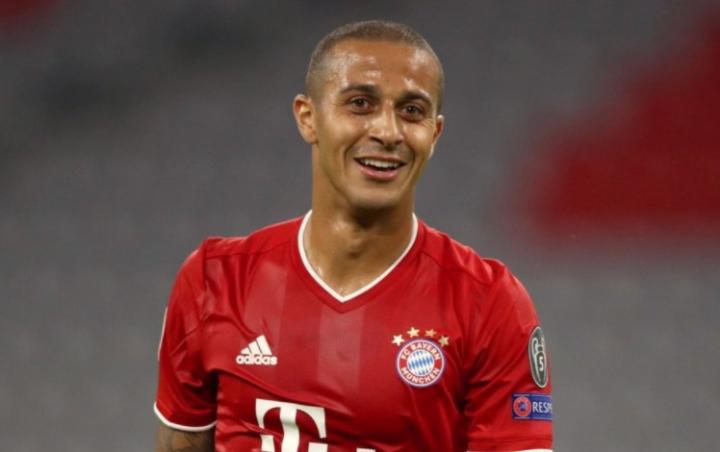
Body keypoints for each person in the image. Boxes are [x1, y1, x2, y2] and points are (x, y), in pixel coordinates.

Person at [154, 20, 553, 452]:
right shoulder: (214, 281)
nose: (388, 132)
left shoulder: (488, 304)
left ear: (435, 134)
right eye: (360, 104)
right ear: (308, 118)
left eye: (412, 111)